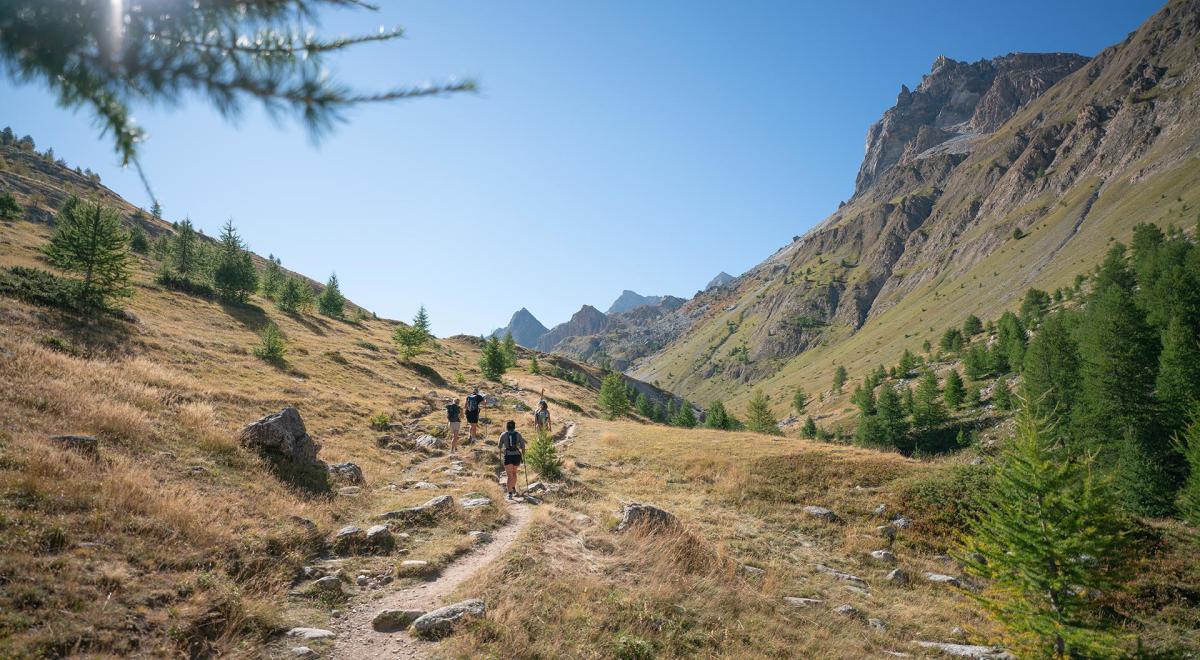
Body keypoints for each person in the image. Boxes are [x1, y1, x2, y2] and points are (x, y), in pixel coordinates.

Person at [498, 420, 525, 499]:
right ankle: (513, 488)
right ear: (514, 426)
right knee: (514, 473)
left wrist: (504, 447)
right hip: (517, 456)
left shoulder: (503, 434)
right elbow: (523, 446)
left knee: (509, 475)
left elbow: (499, 446)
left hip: (508, 455)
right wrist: (523, 454)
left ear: (507, 426)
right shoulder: (518, 434)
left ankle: (509, 493)